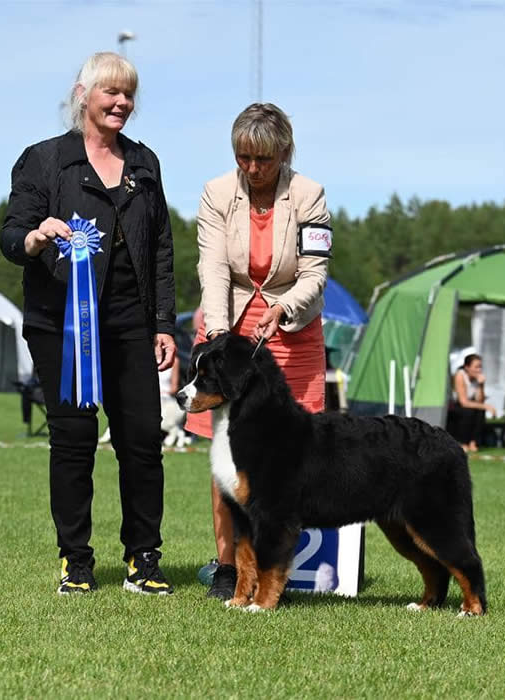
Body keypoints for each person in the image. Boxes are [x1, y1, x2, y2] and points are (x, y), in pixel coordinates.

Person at [0, 51, 177, 596]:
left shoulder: (145, 164)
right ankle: (76, 560)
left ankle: (143, 558)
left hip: (130, 321)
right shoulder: (44, 160)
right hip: (61, 324)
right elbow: (12, 233)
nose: (121, 102)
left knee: (143, 440)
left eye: (128, 94)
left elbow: (162, 249)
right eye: (111, 93)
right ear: (84, 94)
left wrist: (164, 324)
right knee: (74, 442)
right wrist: (32, 239)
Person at [186, 103, 332, 600]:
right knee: (229, 454)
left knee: (292, 458)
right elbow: (213, 270)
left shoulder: (310, 196)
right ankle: (229, 570)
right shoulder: (216, 193)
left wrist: (284, 307)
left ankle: (276, 572)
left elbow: (313, 274)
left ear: (285, 152)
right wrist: (222, 340)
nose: (251, 168)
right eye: (243, 157)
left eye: (263, 160)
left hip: (291, 331)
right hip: (229, 329)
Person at [447, 353, 496, 452]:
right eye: (476, 367)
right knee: (468, 412)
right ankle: (463, 442)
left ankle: (473, 442)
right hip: (455, 406)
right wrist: (487, 406)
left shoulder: (477, 379)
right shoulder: (460, 375)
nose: (479, 370)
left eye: (480, 367)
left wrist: (481, 385)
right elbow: (463, 402)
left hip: (468, 406)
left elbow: (479, 400)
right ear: (467, 367)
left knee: (480, 412)